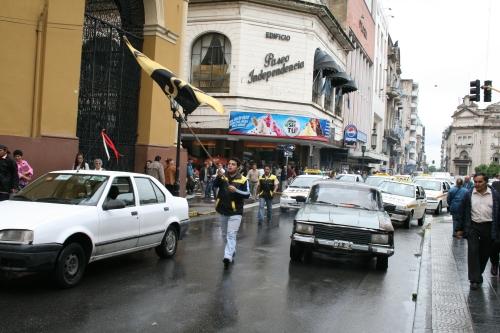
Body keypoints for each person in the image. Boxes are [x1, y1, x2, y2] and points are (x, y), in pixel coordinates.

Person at [458, 173, 500, 289]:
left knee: (485, 253)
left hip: (489, 226)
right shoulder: (469, 194)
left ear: (486, 182)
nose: (477, 184)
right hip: (473, 226)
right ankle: (474, 280)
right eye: (475, 181)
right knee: (473, 251)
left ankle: (478, 273)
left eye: (480, 182)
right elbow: (462, 211)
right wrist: (460, 229)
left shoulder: (495, 195)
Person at [213, 158, 250, 269]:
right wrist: (219, 176)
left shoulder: (243, 179)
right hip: (223, 210)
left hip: (236, 212)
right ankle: (231, 250)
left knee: (231, 234)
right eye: (229, 164)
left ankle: (227, 256)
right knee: (224, 235)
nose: (230, 166)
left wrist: (236, 190)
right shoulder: (223, 177)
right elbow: (215, 185)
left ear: (238, 167)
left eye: (233, 164)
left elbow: (247, 194)